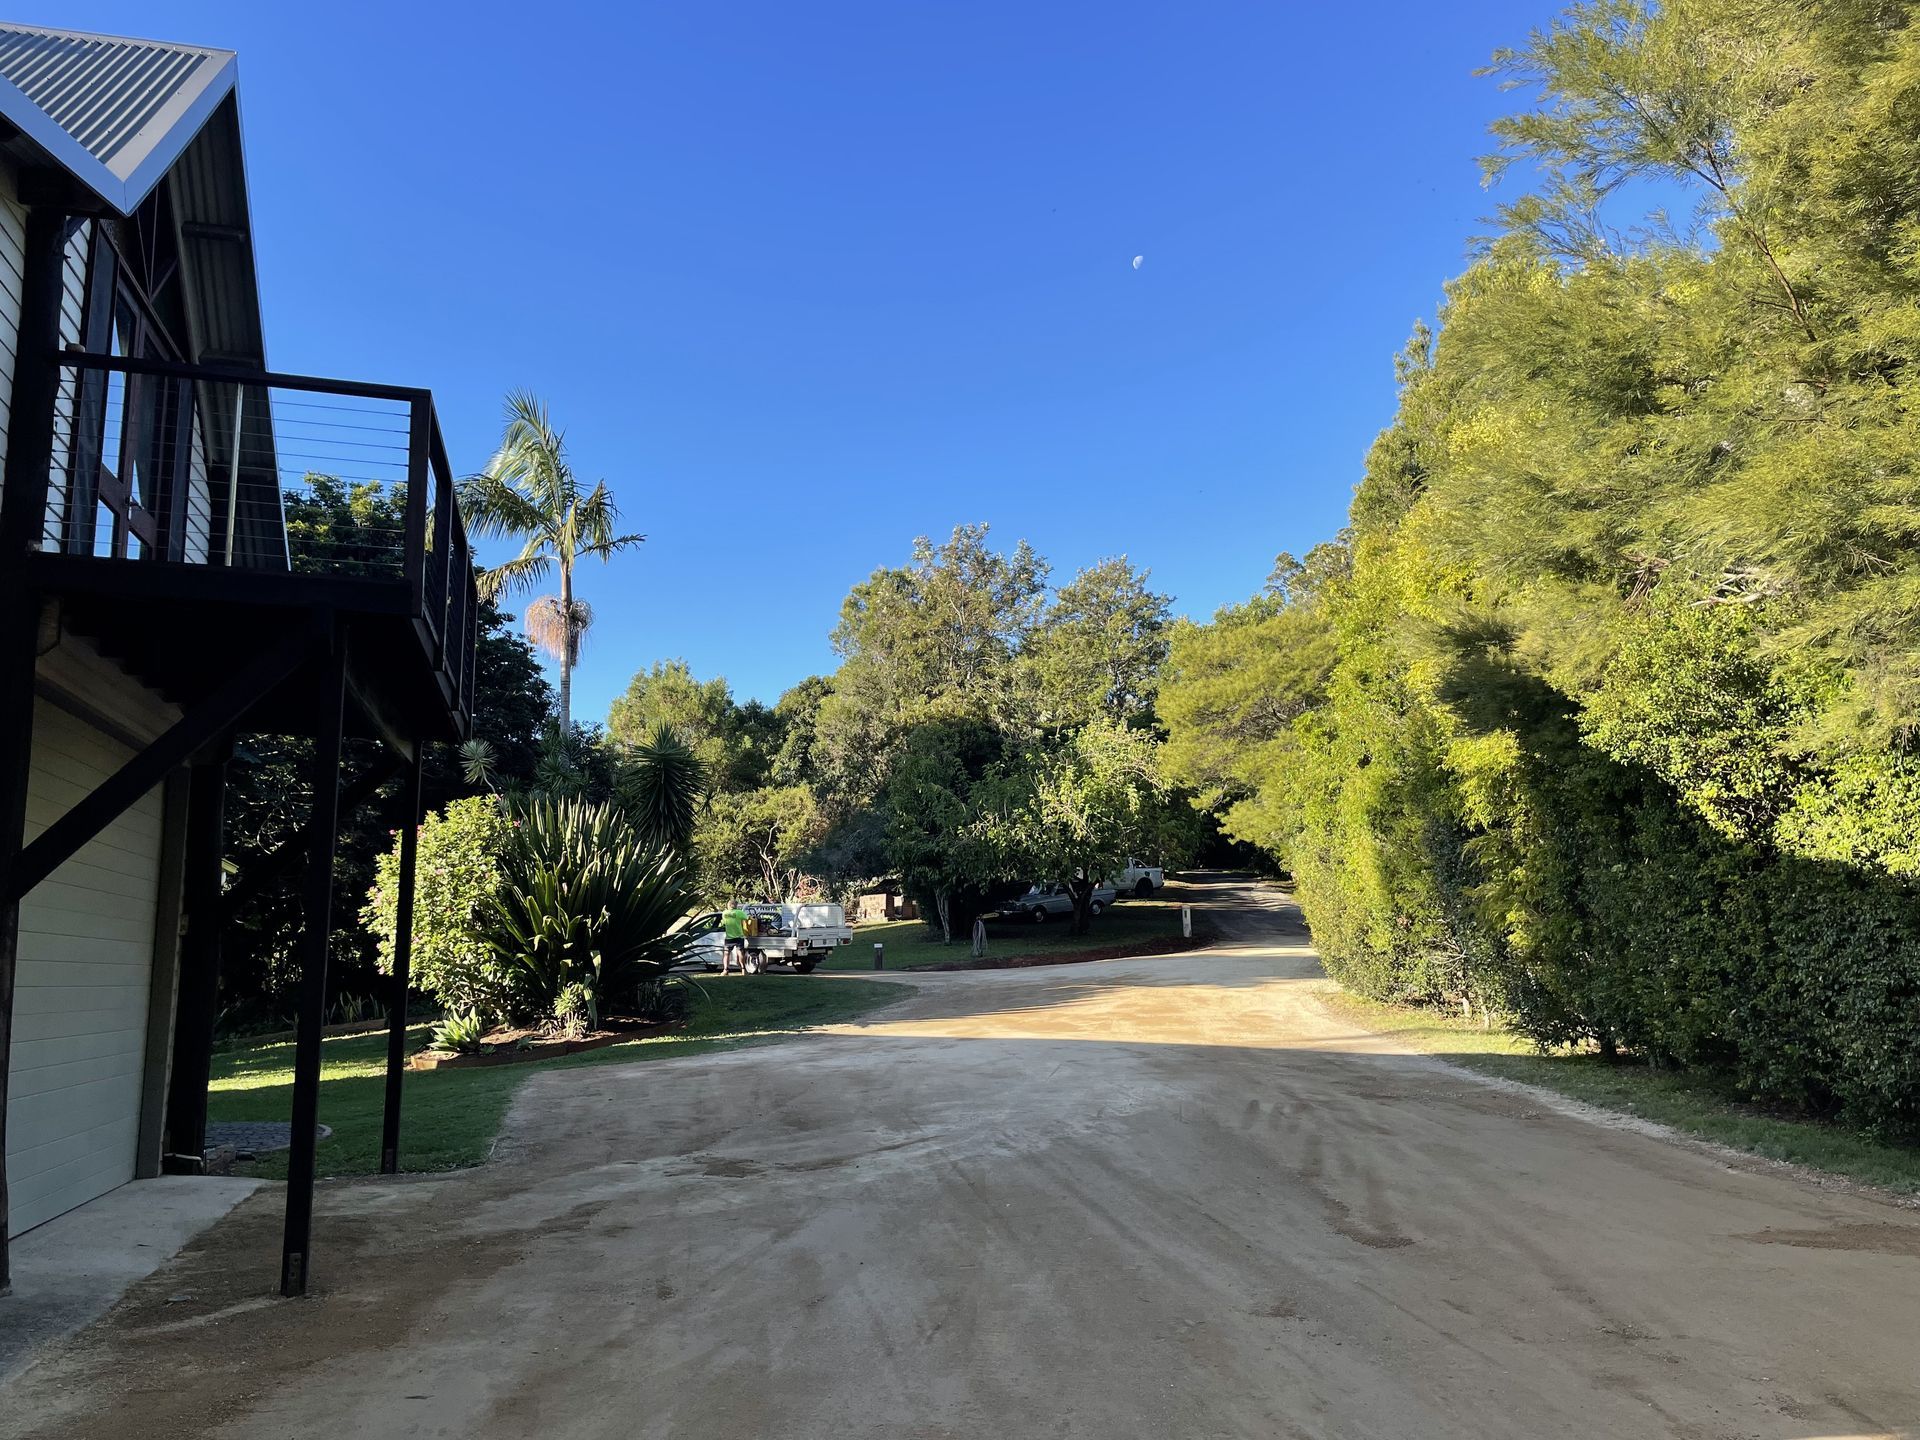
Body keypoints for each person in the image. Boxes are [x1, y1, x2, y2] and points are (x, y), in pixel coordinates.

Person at [721, 903, 753, 975]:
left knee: (726, 954)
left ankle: (725, 970)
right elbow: (747, 918)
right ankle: (743, 970)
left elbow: (723, 922)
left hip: (729, 937)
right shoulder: (739, 912)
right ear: (736, 906)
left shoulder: (724, 913)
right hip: (739, 936)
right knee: (740, 953)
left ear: (728, 905)